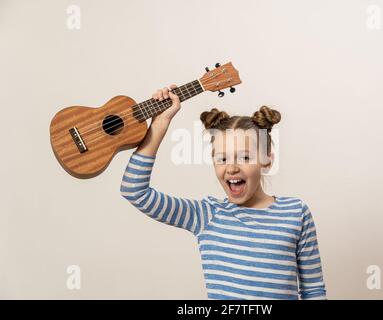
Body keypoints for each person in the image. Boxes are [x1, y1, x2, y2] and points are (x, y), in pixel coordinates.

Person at [120, 84, 327, 300]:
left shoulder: (295, 213)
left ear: (267, 160)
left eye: (245, 158)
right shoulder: (206, 214)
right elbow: (134, 191)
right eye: (222, 158)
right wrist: (160, 124)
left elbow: (313, 290)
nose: (232, 168)